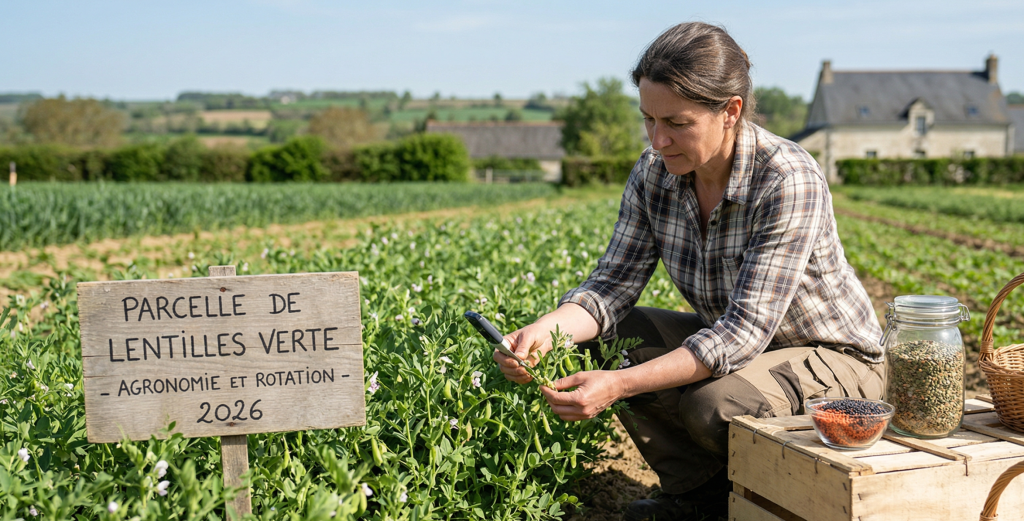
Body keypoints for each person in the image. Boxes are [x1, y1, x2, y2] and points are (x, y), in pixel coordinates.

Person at [492, 22, 884, 521]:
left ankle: (769, 503)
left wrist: (620, 385)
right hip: (750, 352)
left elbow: (743, 334)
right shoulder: (656, 173)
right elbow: (611, 287)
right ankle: (700, 498)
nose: (658, 140)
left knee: (714, 404)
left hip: (837, 362)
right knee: (612, 338)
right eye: (648, 120)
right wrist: (547, 331)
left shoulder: (786, 178)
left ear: (731, 111)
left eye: (676, 122)